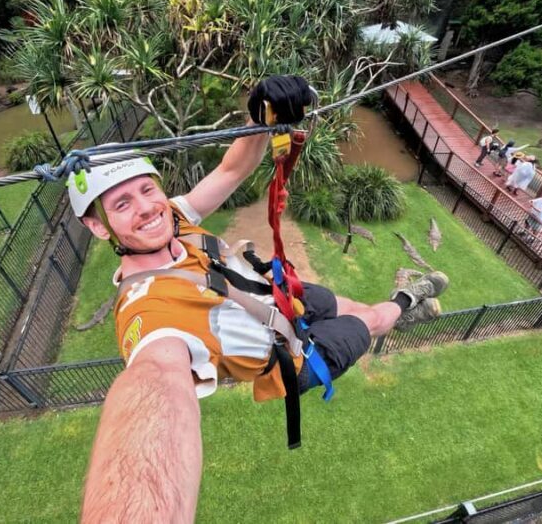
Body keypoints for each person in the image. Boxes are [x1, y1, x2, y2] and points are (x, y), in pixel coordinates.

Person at [72, 75, 450, 523]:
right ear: (99, 228)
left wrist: (260, 119)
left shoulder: (173, 217)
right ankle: (408, 302)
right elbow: (153, 383)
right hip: (292, 358)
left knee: (347, 304)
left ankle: (391, 306)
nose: (146, 207)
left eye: (147, 189)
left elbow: (232, 171)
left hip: (277, 293)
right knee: (370, 321)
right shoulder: (147, 311)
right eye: (120, 205)